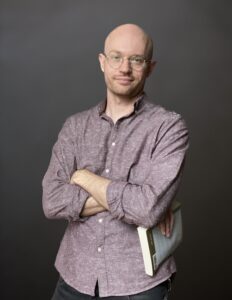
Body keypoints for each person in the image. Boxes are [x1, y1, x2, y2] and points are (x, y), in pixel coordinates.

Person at [42, 23, 189, 300]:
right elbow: (51, 201)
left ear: (150, 67)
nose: (125, 68)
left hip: (139, 284)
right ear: (102, 62)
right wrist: (138, 195)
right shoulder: (74, 127)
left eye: (136, 59)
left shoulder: (168, 127)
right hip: (74, 278)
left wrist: (83, 177)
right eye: (116, 57)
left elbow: (147, 209)